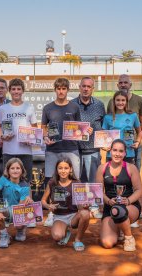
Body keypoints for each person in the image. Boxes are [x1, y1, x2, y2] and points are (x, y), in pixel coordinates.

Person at [41, 78, 81, 227]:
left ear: (67, 90)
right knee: (52, 181)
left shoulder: (74, 107)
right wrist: (45, 137)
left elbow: (79, 127)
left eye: (64, 88)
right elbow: (43, 127)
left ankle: (76, 211)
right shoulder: (47, 108)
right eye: (58, 88)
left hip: (71, 148)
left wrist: (85, 131)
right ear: (55, 90)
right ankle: (53, 212)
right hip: (52, 149)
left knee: (74, 181)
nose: (61, 91)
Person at [97, 139, 142, 252]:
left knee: (118, 210)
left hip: (129, 206)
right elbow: (98, 192)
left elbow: (139, 190)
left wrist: (128, 200)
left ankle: (128, 237)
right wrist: (108, 201)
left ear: (125, 153)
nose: (117, 154)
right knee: (107, 243)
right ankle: (120, 226)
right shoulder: (102, 168)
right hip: (110, 207)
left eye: (121, 151)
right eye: (115, 150)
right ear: (110, 151)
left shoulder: (131, 168)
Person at [70, 76, 106, 219]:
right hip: (75, 148)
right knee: (77, 179)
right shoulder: (71, 104)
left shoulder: (99, 105)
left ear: (93, 89)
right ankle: (79, 206)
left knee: (93, 180)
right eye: (83, 86)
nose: (86, 89)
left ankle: (94, 206)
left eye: (89, 86)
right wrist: (81, 129)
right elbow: (68, 126)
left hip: (93, 148)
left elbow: (103, 126)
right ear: (79, 87)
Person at [41, 158, 91, 252]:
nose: (63, 171)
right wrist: (48, 206)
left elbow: (80, 206)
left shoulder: (76, 183)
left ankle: (77, 240)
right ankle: (64, 231)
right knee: (57, 237)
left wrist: (85, 205)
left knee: (85, 213)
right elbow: (43, 200)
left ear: (70, 169)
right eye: (60, 168)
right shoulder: (52, 183)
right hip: (59, 217)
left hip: (73, 216)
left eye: (66, 168)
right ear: (56, 169)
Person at [0, 78, 37, 182]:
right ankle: (9, 199)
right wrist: (2, 136)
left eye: (19, 89)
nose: (16, 91)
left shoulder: (29, 107)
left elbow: (34, 127)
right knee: (8, 181)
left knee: (26, 181)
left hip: (25, 151)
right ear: (9, 91)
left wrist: (30, 138)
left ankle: (27, 199)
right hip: (8, 151)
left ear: (23, 91)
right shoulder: (3, 108)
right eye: (13, 89)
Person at [0, 158, 33, 248]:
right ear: (8, 170)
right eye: (12, 168)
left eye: (17, 168)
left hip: (18, 210)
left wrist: (15, 218)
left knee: (19, 224)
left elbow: (19, 208)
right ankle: (4, 235)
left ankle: (21, 230)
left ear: (22, 170)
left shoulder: (25, 185)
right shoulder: (3, 179)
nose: (15, 171)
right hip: (6, 208)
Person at [107, 75, 142, 170]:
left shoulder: (139, 100)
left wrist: (137, 141)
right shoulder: (111, 102)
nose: (123, 85)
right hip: (115, 147)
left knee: (134, 173)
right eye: (121, 83)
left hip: (132, 146)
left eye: (125, 83)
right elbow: (108, 126)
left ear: (130, 84)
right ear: (117, 85)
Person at [102, 91, 142, 164]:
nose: (120, 103)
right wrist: (103, 146)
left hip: (128, 153)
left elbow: (139, 132)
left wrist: (137, 142)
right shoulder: (107, 117)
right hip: (112, 154)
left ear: (126, 102)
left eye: (123, 100)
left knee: (128, 175)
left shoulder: (133, 116)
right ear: (114, 101)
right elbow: (103, 136)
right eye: (118, 100)